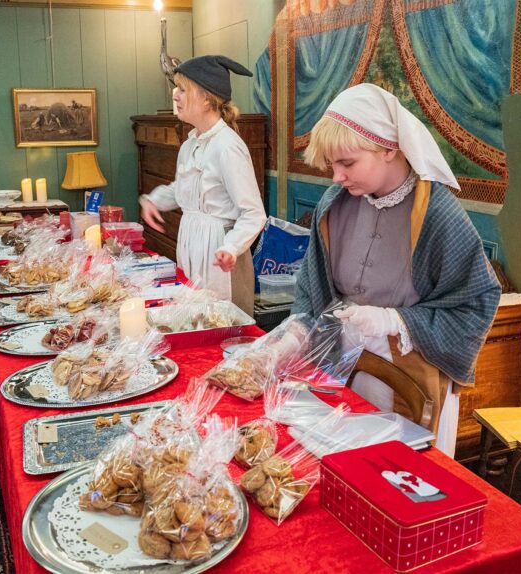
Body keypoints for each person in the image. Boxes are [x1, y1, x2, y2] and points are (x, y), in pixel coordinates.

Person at [295, 83, 501, 456]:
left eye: (347, 163)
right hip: (343, 362)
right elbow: (312, 286)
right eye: (332, 164)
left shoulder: (436, 214)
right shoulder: (333, 206)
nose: (336, 176)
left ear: (389, 147)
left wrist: (395, 321)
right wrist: (294, 332)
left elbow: (478, 300)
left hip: (412, 370)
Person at [139, 55, 266, 315]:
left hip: (221, 255)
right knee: (192, 316)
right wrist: (155, 200)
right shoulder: (190, 145)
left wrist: (230, 248)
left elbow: (254, 213)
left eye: (183, 89)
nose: (175, 96)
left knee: (221, 322)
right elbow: (182, 189)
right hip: (191, 245)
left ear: (207, 99)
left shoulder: (227, 147)